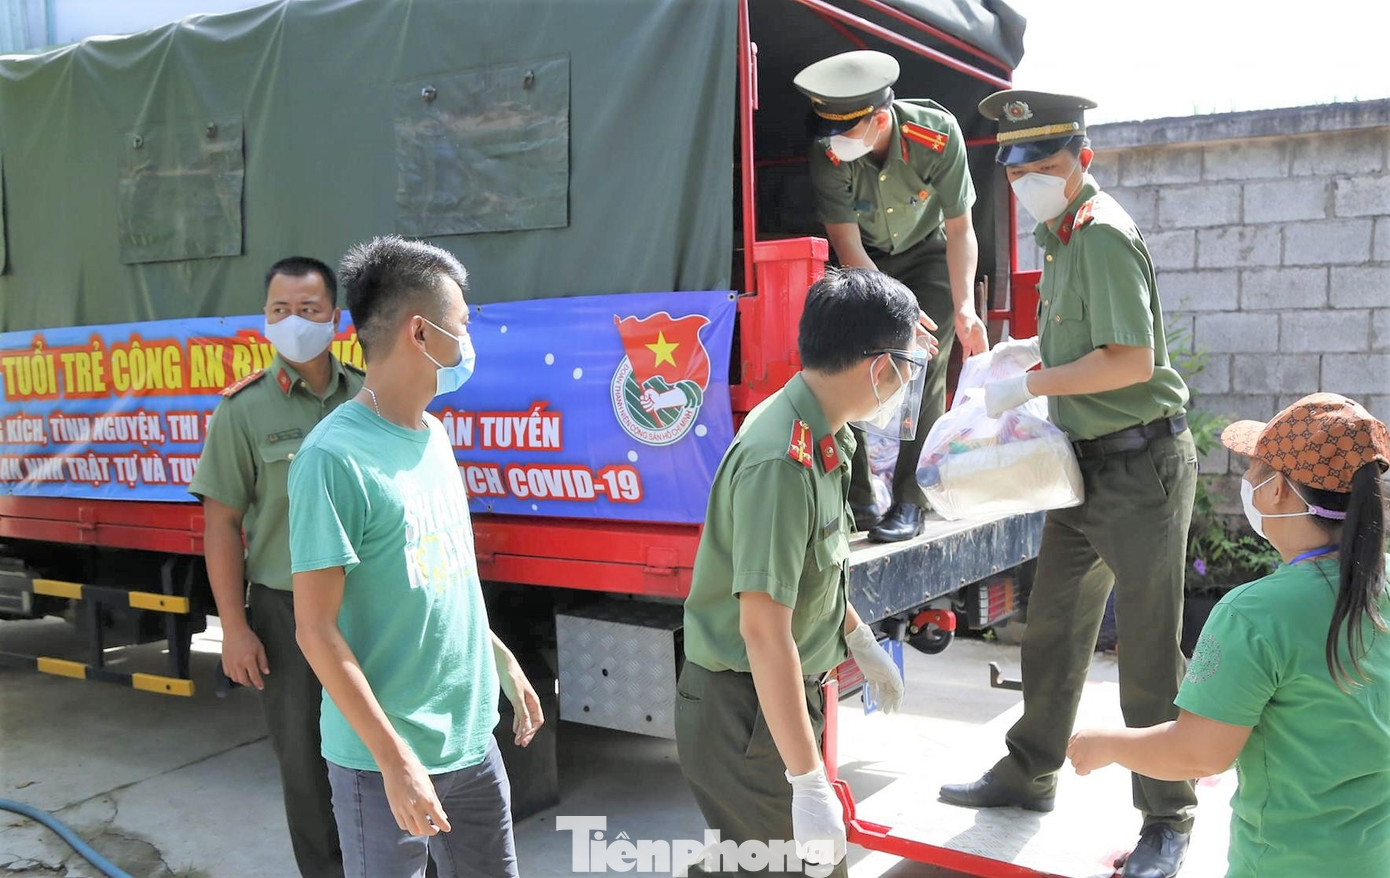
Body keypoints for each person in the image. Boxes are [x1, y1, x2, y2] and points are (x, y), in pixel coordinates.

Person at [939, 91, 1196, 878]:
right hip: (1083, 466)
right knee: (1051, 628)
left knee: (1147, 653)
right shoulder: (1059, 236)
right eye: (1020, 172)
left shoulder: (1102, 236)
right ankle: (1030, 771)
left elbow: (1131, 362)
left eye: (1046, 169)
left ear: (1082, 161)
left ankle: (1167, 818)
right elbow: (1083, 341)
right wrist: (1024, 353)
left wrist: (1034, 384)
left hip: (1141, 467)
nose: (1029, 185)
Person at [287, 236, 544, 878]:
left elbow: (442, 582)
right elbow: (315, 631)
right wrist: (395, 761)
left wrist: (502, 662)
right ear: (420, 333)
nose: (468, 341)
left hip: (470, 744)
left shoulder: (434, 436)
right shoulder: (332, 459)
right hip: (383, 763)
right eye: (461, 325)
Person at [1068, 393, 1390, 878]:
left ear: (1279, 489)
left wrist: (1107, 743)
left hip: (1288, 864)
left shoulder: (1254, 614)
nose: (1247, 481)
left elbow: (1198, 753)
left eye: (1255, 466)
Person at [677, 268, 932, 877]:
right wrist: (806, 781)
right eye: (905, 366)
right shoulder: (781, 462)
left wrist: (858, 638)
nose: (906, 383)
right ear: (877, 367)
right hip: (746, 715)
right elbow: (764, 631)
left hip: (772, 707)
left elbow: (811, 573)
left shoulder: (826, 433)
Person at [190, 256, 360, 878]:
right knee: (306, 764)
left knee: (384, 749)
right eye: (279, 311)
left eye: (309, 310)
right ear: (264, 320)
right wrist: (233, 628)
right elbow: (221, 525)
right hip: (286, 612)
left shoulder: (369, 395)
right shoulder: (242, 410)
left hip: (369, 606)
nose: (294, 322)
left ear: (335, 319)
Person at [795, 50, 988, 542]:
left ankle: (911, 499)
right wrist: (894, 304)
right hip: (866, 259)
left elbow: (961, 228)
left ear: (881, 119)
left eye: (845, 131)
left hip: (929, 254)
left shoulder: (936, 135)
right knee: (854, 355)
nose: (834, 143)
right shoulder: (830, 153)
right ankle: (857, 497)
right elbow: (847, 243)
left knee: (927, 355)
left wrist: (964, 306)